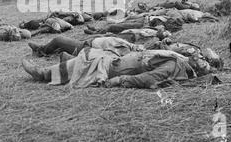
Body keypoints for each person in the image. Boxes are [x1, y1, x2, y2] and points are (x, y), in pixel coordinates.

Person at [22, 48, 217, 89]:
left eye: (203, 59)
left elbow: (148, 78)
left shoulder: (175, 66)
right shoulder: (181, 61)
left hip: (114, 69)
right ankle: (62, 63)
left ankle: (44, 73)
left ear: (201, 67)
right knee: (89, 53)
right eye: (201, 55)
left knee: (87, 59)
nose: (198, 56)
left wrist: (118, 81)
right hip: (118, 61)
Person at [28, 35, 144, 57]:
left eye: (140, 49)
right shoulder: (128, 45)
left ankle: (41, 50)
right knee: (62, 45)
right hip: (88, 43)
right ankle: (54, 50)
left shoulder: (125, 50)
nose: (139, 47)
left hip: (85, 48)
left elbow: (109, 54)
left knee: (58, 40)